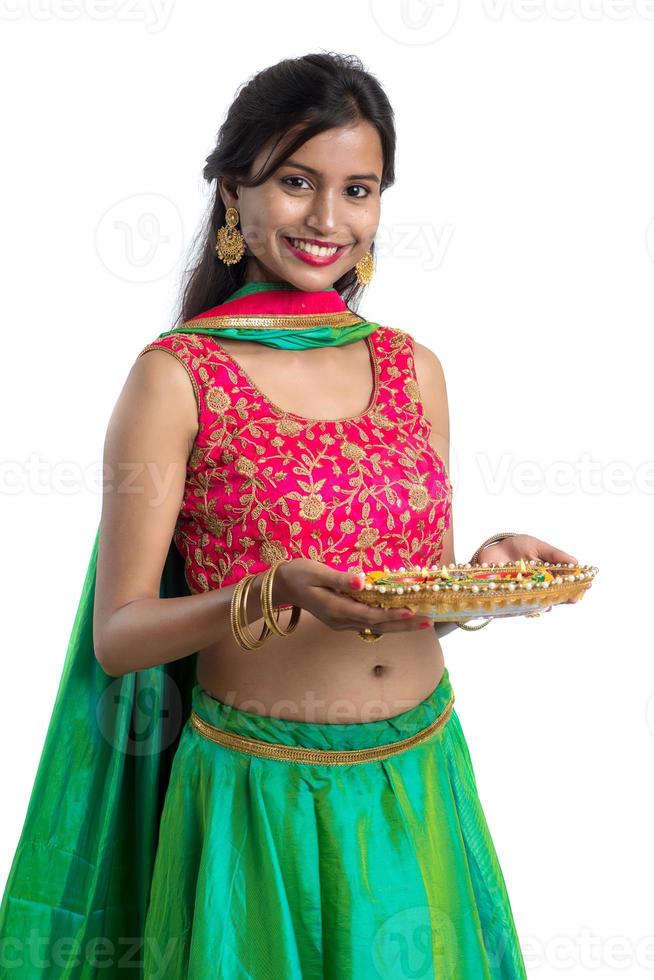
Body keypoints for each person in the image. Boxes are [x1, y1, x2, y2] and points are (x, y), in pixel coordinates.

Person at [0, 52, 579, 979]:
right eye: (296, 183)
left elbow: (407, 591)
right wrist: (269, 595)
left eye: (358, 189)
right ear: (236, 194)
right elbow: (120, 634)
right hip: (258, 796)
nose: (327, 219)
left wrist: (485, 570)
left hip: (418, 778)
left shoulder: (412, 366)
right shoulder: (177, 376)